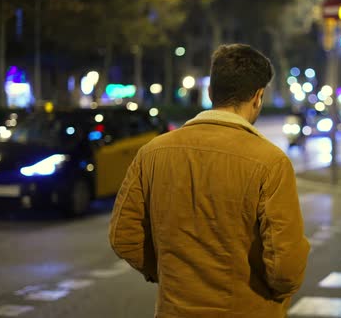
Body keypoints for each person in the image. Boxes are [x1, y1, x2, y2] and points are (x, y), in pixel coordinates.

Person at [109, 44, 310, 317]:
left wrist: (170, 274)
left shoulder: (153, 153)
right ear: (258, 97)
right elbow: (286, 268)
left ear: (211, 92)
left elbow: (124, 237)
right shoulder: (270, 162)